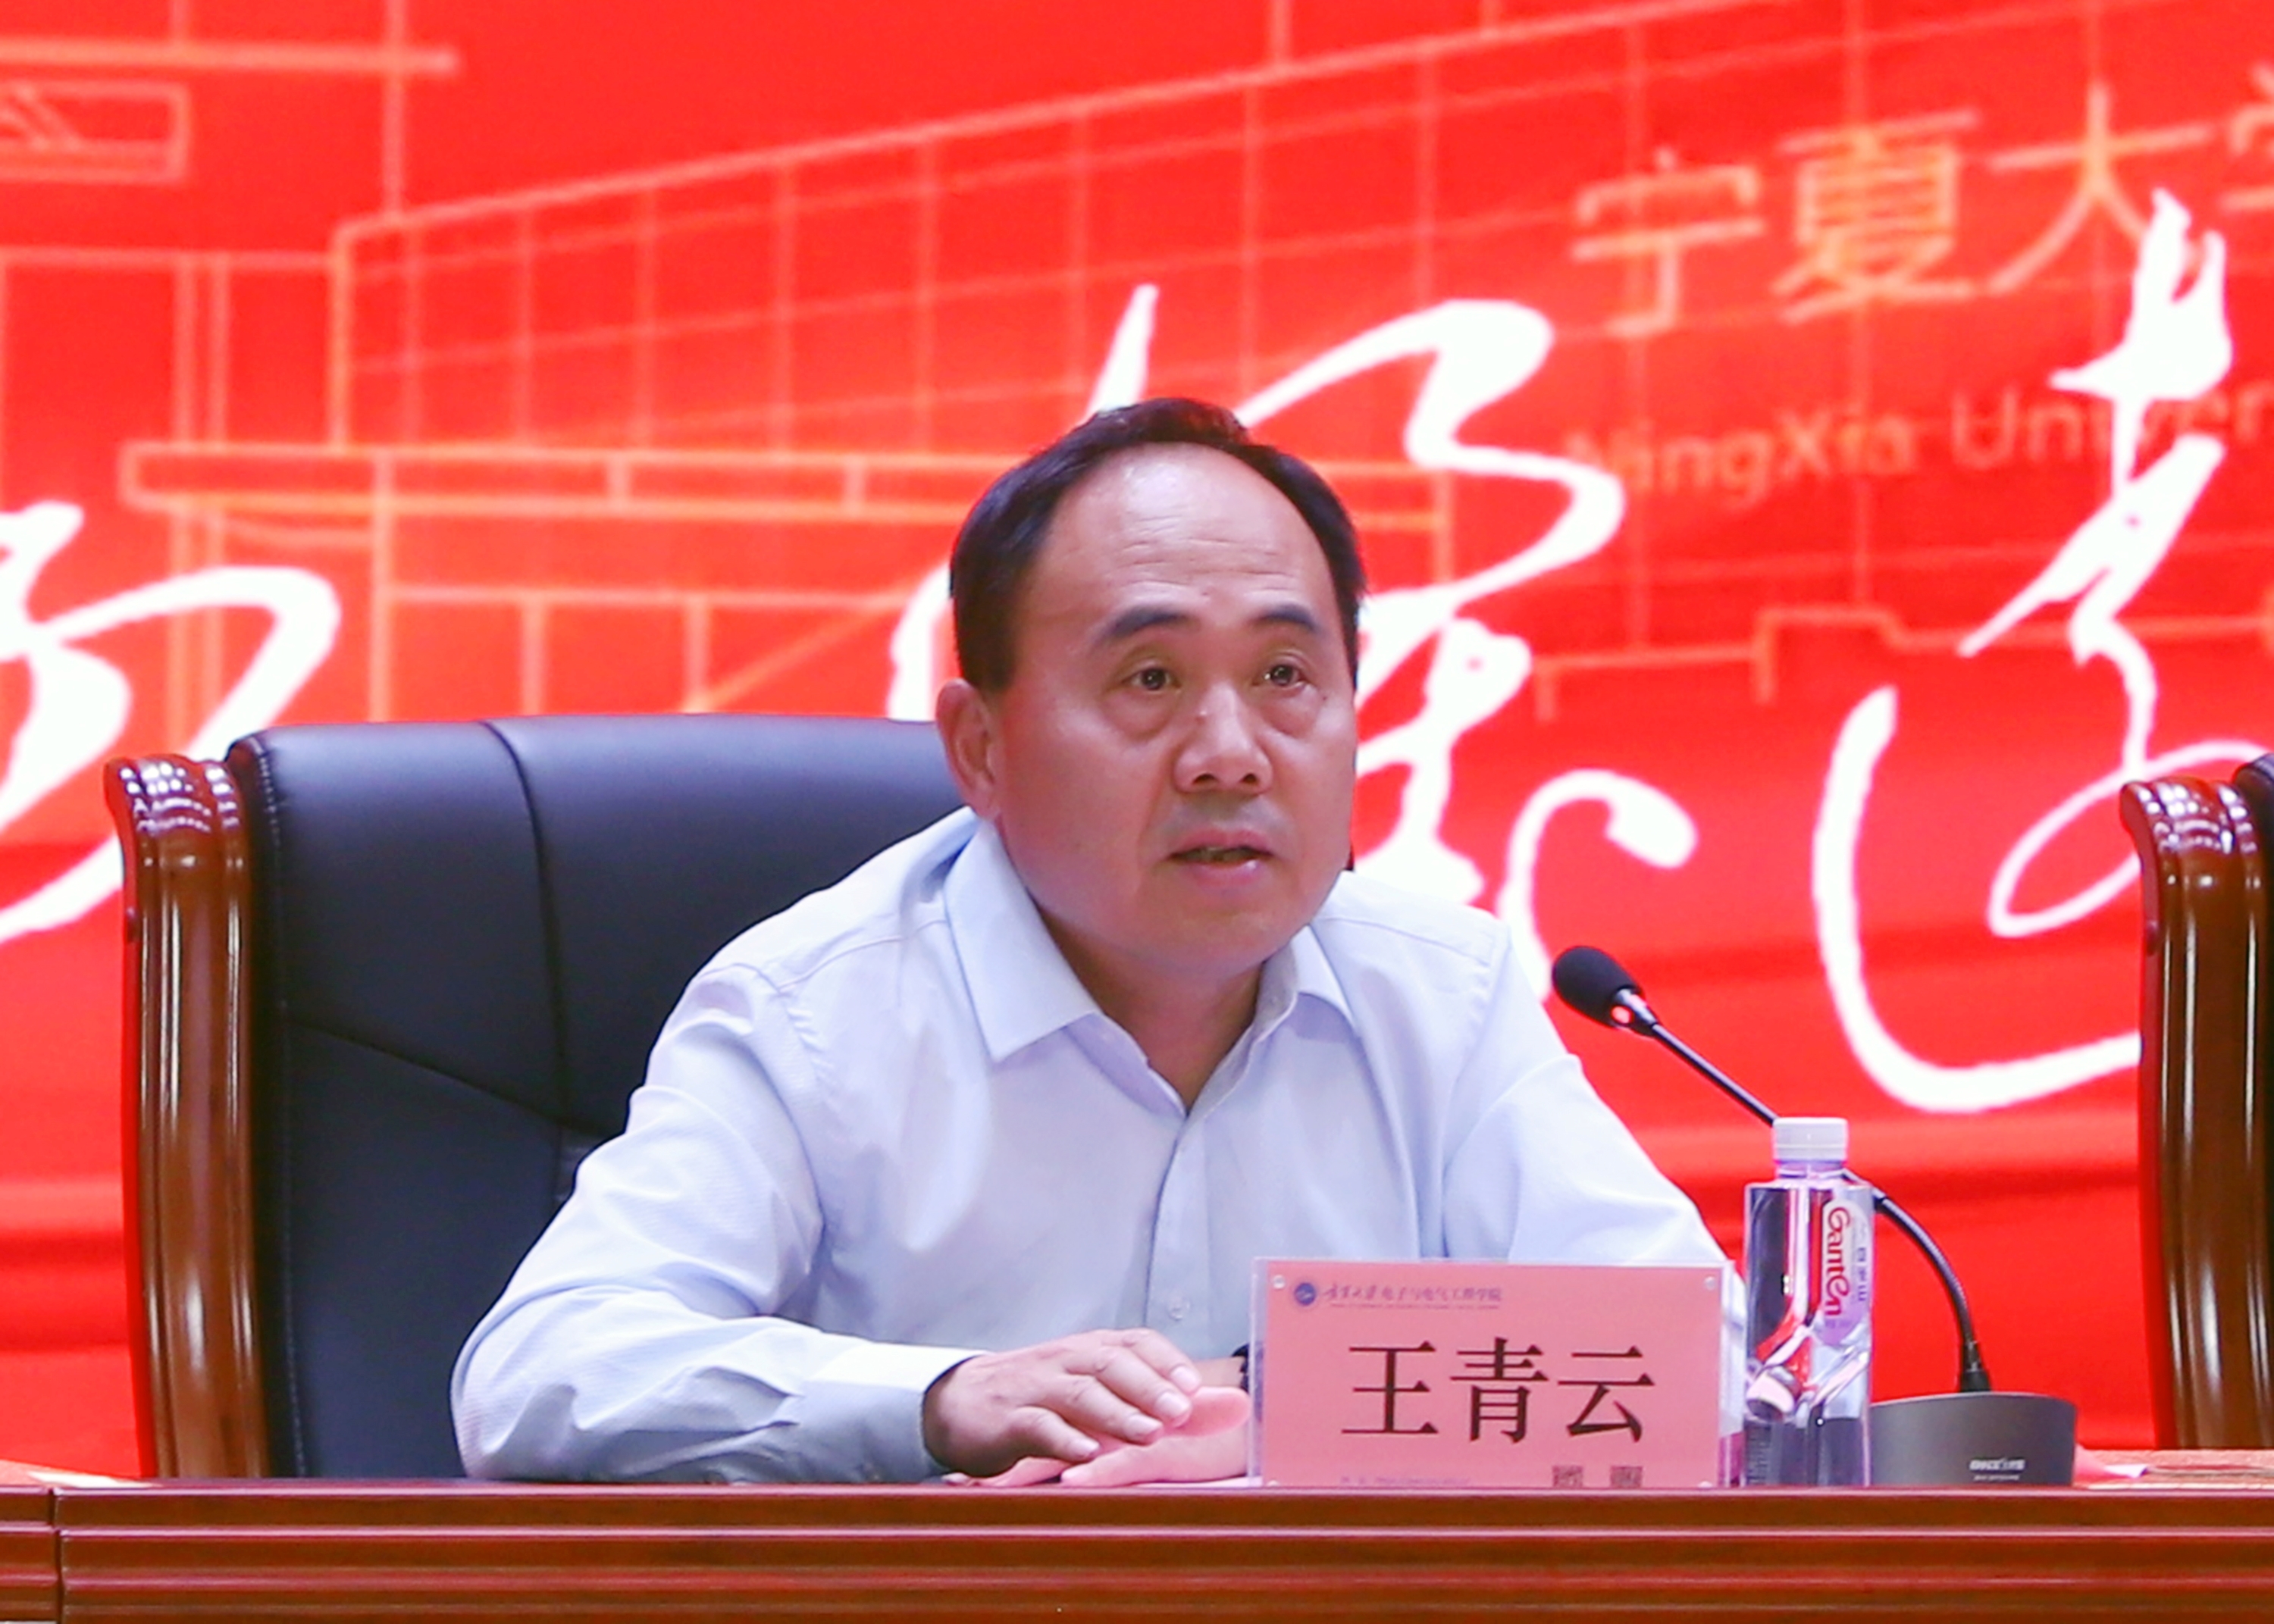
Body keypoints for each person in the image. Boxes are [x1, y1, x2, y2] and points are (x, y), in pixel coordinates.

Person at [452, 398, 1728, 1485]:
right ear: (981, 750)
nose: (1231, 755)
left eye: (1286, 677)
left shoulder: (1443, 994)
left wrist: (1287, 1400)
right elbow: (545, 1372)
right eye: (1151, 680)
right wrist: (940, 1399)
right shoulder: (812, 1012)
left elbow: (1703, 1362)